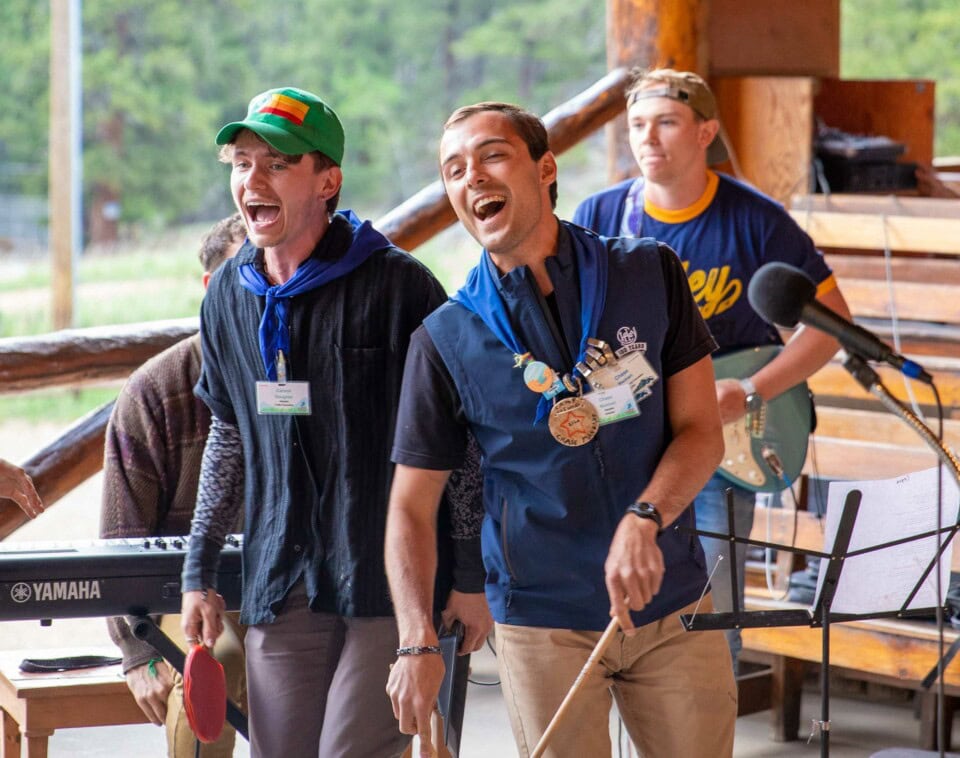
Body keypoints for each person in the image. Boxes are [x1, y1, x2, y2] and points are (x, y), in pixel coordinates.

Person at [385, 101, 736, 758]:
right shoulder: (445, 338)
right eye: (453, 170)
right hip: (540, 620)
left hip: (672, 599)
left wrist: (644, 519)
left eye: (492, 155)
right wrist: (415, 641)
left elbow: (700, 430)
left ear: (546, 169)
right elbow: (410, 505)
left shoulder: (648, 272)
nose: (472, 177)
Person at [179, 87, 489, 758]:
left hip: (390, 582)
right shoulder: (228, 294)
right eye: (242, 164)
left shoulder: (400, 287)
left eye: (277, 163)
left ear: (327, 181)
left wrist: (470, 575)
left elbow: (459, 443)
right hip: (281, 576)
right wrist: (198, 570)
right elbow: (228, 435)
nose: (252, 181)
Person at [573, 68, 852, 672]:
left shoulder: (756, 219)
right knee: (619, 608)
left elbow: (831, 324)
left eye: (666, 123)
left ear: (706, 132)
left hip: (720, 445)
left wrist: (750, 390)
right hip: (627, 439)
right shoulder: (601, 214)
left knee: (712, 618)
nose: (648, 138)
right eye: (638, 125)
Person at [99, 213, 246, 757]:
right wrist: (137, 653)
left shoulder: (299, 373)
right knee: (219, 655)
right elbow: (120, 543)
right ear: (211, 288)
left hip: (290, 585)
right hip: (182, 594)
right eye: (246, 274)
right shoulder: (156, 391)